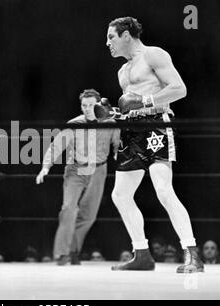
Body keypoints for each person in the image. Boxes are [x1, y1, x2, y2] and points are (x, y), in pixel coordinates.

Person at [106, 17, 204, 273]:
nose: (108, 43)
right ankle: (142, 255)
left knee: (163, 189)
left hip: (157, 126)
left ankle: (192, 254)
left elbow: (179, 89)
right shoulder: (122, 72)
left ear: (126, 34)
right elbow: (131, 107)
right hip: (131, 132)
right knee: (120, 195)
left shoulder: (153, 55)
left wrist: (146, 102)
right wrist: (115, 114)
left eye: (111, 37)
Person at [36, 89, 120, 266]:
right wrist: (45, 167)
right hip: (76, 169)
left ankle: (73, 250)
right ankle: (61, 254)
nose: (88, 108)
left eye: (91, 105)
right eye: (84, 105)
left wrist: (118, 157)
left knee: (89, 215)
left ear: (98, 104)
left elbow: (118, 145)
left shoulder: (110, 123)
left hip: (98, 170)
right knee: (68, 209)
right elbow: (56, 147)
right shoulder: (74, 124)